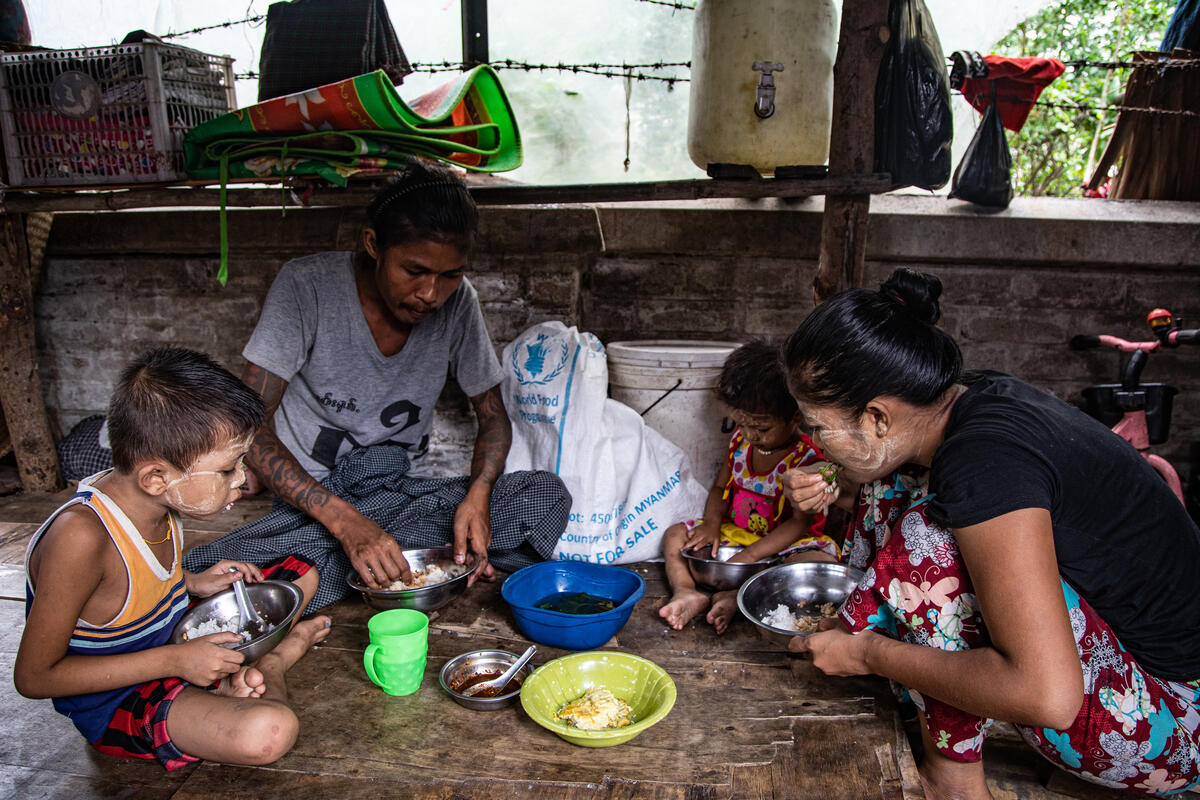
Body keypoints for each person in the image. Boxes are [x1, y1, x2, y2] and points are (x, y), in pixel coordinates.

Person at [781, 268, 1200, 798]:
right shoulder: (967, 400)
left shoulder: (984, 464)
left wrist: (867, 654)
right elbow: (884, 474)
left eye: (818, 429)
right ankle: (919, 690)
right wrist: (836, 487)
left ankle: (953, 779)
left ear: (878, 417)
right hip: (1139, 667)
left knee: (927, 545)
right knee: (893, 487)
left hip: (1178, 717)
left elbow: (1046, 695)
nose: (815, 445)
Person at [183, 157, 570, 610]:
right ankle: (409, 556)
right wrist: (347, 525)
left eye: (450, 275)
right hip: (318, 500)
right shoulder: (306, 288)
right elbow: (248, 424)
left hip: (400, 491)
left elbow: (492, 417)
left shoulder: (458, 304)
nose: (431, 293)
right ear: (373, 245)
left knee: (543, 494)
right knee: (282, 557)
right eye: (414, 271)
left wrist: (478, 495)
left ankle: (412, 552)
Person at [14, 347, 331, 770]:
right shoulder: (81, 537)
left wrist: (193, 582)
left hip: (169, 641)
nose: (242, 479)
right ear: (156, 477)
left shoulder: (162, 500)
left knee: (301, 571)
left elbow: (132, 588)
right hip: (118, 697)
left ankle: (232, 678)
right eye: (227, 469)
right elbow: (34, 677)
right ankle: (273, 664)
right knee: (268, 732)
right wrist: (176, 661)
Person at [658, 341, 837, 634]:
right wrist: (712, 525)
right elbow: (718, 490)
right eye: (742, 424)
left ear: (795, 416)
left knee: (814, 563)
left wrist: (750, 557)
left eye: (762, 428)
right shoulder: (739, 445)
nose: (750, 434)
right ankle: (686, 591)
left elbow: (798, 524)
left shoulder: (807, 459)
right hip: (737, 537)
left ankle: (735, 597)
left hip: (781, 547)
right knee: (675, 534)